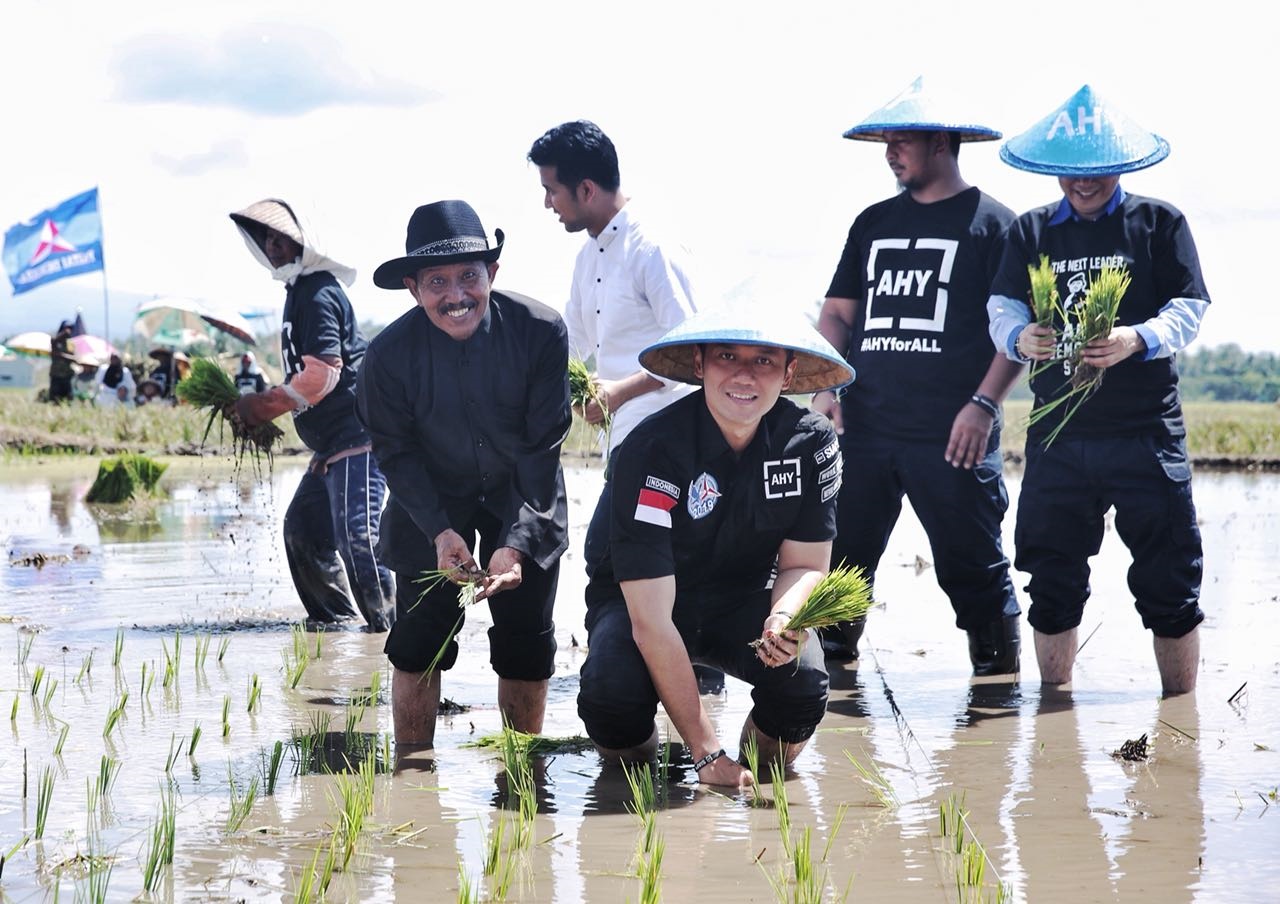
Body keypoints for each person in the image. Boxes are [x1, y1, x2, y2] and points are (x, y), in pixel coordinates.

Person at [987, 85, 1209, 695]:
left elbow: (1189, 307)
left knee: (1170, 578)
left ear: (1120, 164)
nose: (1083, 183)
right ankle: (1053, 713)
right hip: (1059, 437)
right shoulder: (1031, 231)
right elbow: (1001, 307)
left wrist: (1136, 338)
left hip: (1145, 432)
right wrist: (1020, 337)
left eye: (1097, 170)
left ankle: (1180, 716)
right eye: (1071, 171)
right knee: (1051, 578)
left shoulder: (1159, 223)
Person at [576, 307, 854, 786]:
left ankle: (753, 774)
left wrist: (783, 617)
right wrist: (705, 753)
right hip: (642, 604)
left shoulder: (810, 443)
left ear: (789, 374)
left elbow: (806, 564)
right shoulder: (651, 449)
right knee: (610, 694)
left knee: (804, 680)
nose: (744, 374)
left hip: (741, 599)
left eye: (764, 360)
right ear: (699, 363)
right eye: (727, 356)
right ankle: (639, 778)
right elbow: (651, 621)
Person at [811, 78, 1024, 673]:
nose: (890, 152)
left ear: (941, 143)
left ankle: (998, 697)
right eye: (886, 142)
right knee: (840, 564)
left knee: (973, 567)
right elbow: (838, 314)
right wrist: (826, 387)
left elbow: (1017, 332)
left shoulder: (995, 226)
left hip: (953, 433)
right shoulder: (872, 223)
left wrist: (984, 405)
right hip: (864, 428)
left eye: (901, 141)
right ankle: (831, 696)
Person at [356, 200, 571, 747]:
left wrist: (516, 543)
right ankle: (412, 769)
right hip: (431, 496)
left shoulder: (541, 331)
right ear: (413, 289)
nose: (456, 296)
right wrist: (438, 531)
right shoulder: (387, 356)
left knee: (526, 641)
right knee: (418, 642)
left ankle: (522, 768)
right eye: (437, 282)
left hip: (522, 493)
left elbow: (542, 446)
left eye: (468, 276)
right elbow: (396, 453)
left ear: (492, 273)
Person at [527, 120, 719, 690]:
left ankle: (669, 690)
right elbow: (572, 346)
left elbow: (693, 351)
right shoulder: (589, 257)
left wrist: (618, 392)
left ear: (586, 189)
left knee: (623, 558)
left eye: (552, 190)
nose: (547, 204)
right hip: (625, 441)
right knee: (626, 562)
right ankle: (635, 683)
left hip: (675, 442)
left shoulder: (653, 247)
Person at [229, 198, 395, 633]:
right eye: (267, 238)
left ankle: (390, 635)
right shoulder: (298, 292)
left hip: (356, 436)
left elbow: (323, 374)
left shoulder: (318, 291)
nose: (272, 246)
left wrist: (263, 405)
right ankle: (336, 628)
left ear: (305, 243)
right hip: (329, 445)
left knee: (359, 538)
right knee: (303, 530)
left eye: (281, 238)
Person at [48, 320, 75, 403]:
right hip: (56, 375)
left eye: (70, 328)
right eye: (66, 328)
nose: (68, 330)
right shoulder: (55, 340)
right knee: (55, 399)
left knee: (68, 399)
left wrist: (62, 355)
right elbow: (53, 348)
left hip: (67, 375)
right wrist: (62, 335)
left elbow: (73, 357)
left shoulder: (70, 343)